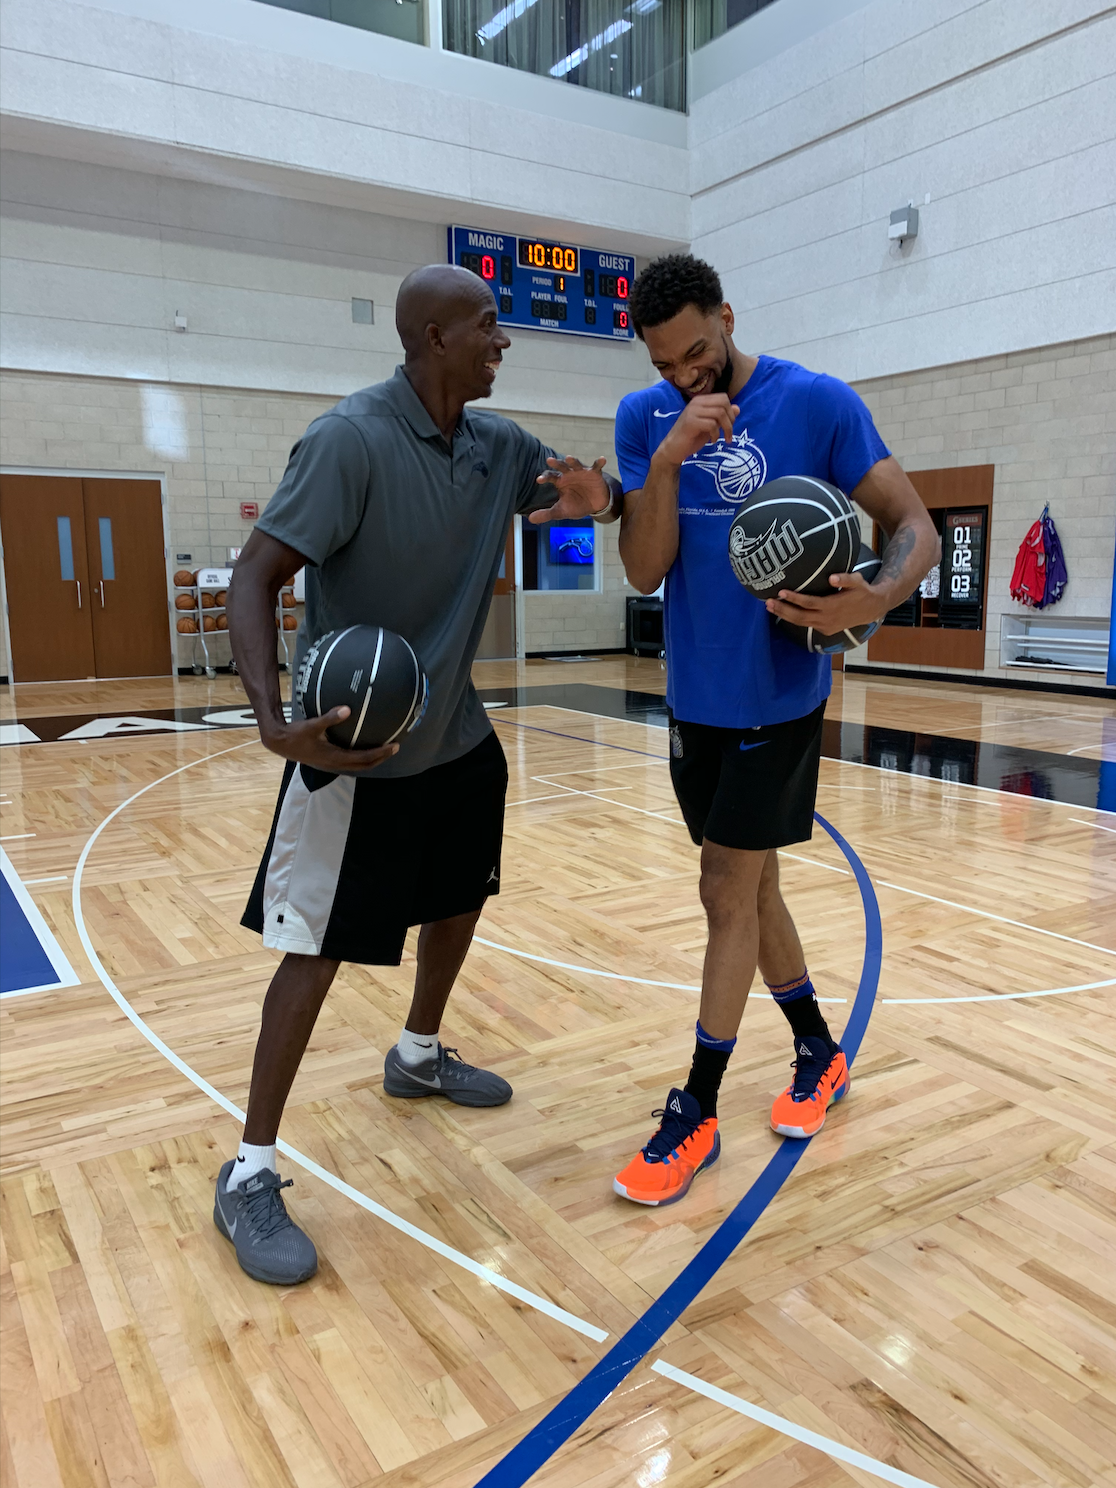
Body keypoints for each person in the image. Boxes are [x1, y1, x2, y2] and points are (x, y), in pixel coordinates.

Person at [216, 264, 621, 1284]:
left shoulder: (499, 445)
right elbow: (255, 576)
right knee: (313, 954)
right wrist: (275, 725)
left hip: (456, 735)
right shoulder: (349, 441)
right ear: (434, 337)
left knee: (459, 898)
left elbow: (578, 496)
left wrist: (604, 499)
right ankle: (248, 1170)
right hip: (354, 746)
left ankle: (418, 1054)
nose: (503, 340)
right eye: (487, 324)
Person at [611, 254, 938, 1206]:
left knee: (723, 889)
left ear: (726, 316)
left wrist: (874, 597)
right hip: (694, 700)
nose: (684, 376)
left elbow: (915, 527)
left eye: (696, 352)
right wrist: (667, 459)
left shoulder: (817, 403)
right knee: (754, 892)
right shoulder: (644, 419)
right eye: (665, 364)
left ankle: (697, 1111)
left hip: (781, 696)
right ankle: (818, 1051)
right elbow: (643, 569)